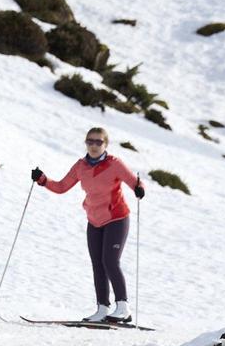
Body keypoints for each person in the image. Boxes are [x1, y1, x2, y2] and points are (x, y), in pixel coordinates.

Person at [33, 126, 145, 324]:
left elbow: (133, 181)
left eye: (98, 142)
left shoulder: (115, 164)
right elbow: (61, 187)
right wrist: (42, 180)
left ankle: (123, 308)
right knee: (98, 265)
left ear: (106, 144)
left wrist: (139, 189)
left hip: (116, 218)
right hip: (94, 221)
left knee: (110, 261)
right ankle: (102, 309)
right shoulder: (81, 166)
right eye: (90, 141)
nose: (93, 146)